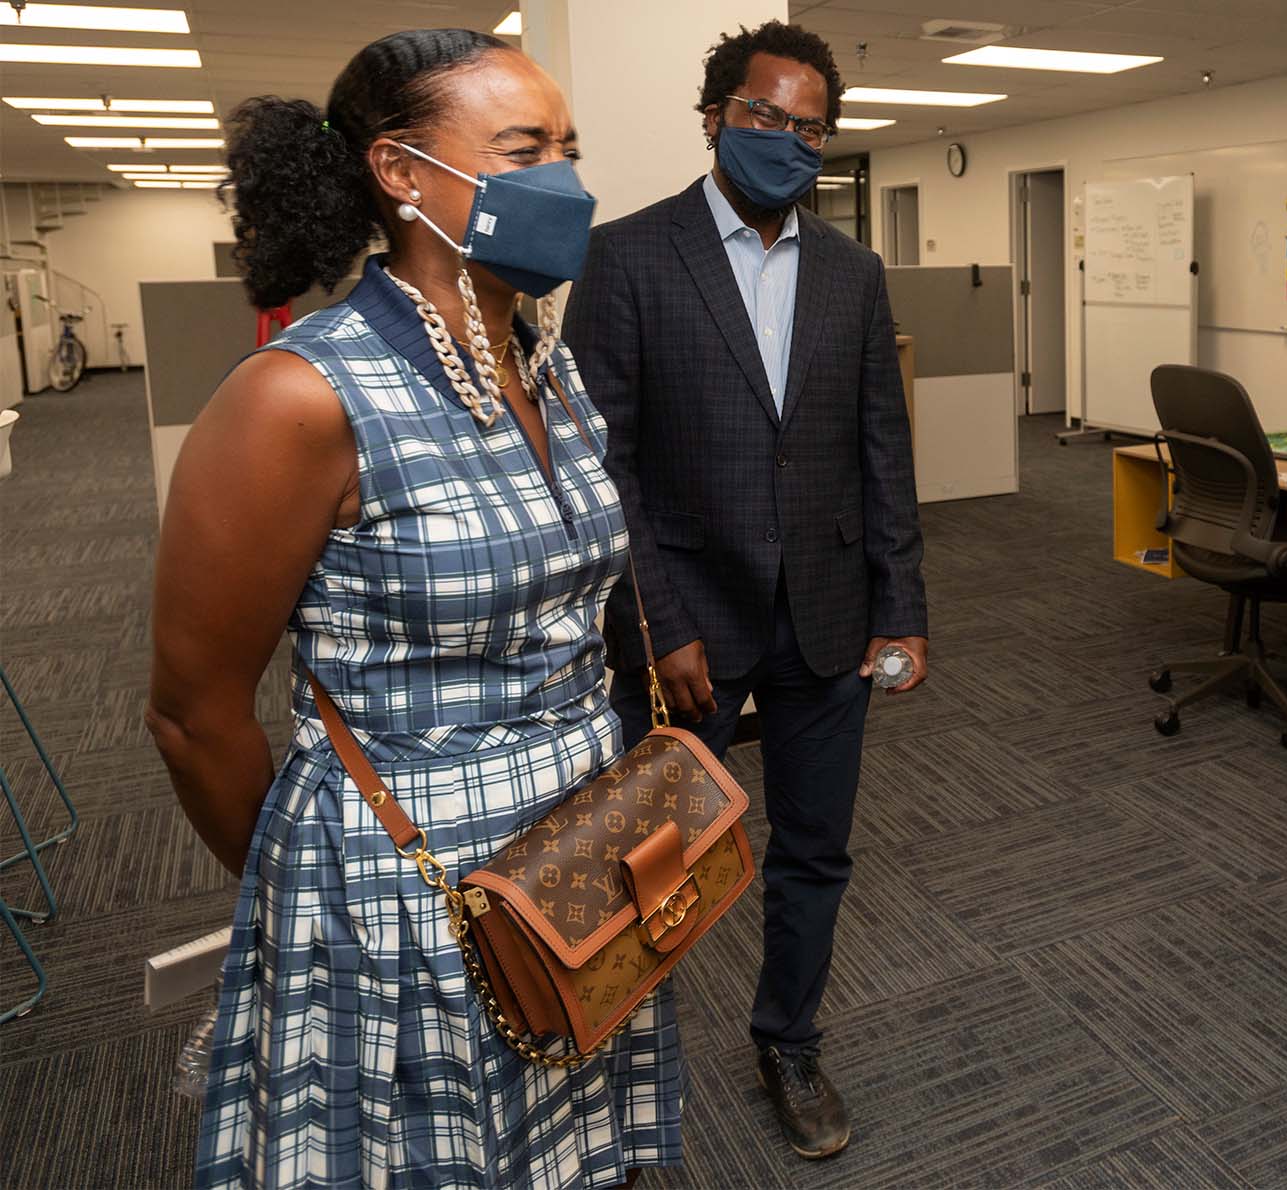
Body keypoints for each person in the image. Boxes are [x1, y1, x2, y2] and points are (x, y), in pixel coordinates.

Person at [146, 29, 680, 1188]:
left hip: (577, 865)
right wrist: (320, 893)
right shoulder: (300, 393)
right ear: (399, 173)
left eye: (569, 149)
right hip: (406, 892)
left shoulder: (545, 360)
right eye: (524, 148)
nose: (565, 182)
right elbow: (193, 714)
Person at [563, 20, 927, 1164]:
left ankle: (789, 1039)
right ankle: (621, 1065)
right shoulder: (627, 258)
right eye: (764, 116)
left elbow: (883, 448)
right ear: (715, 114)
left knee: (814, 850)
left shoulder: (852, 273)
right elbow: (603, 466)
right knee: (647, 866)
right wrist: (655, 622)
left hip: (825, 616)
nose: (786, 140)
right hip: (688, 627)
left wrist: (900, 603)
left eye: (808, 126)